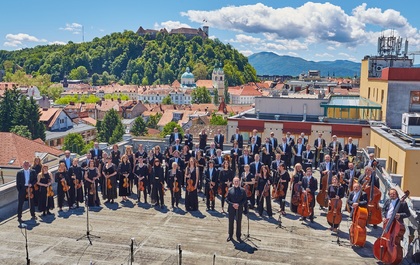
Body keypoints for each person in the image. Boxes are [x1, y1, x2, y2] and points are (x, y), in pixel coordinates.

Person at [226, 177, 247, 242]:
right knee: (231, 222)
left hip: (239, 208)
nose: (236, 182)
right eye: (235, 181)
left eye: (237, 181)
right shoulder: (230, 190)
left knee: (239, 222)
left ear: (239, 182)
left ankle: (238, 236)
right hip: (231, 208)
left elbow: (244, 199)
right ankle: (230, 235)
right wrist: (233, 204)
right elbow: (227, 199)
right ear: (233, 182)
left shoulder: (242, 190)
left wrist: (238, 204)